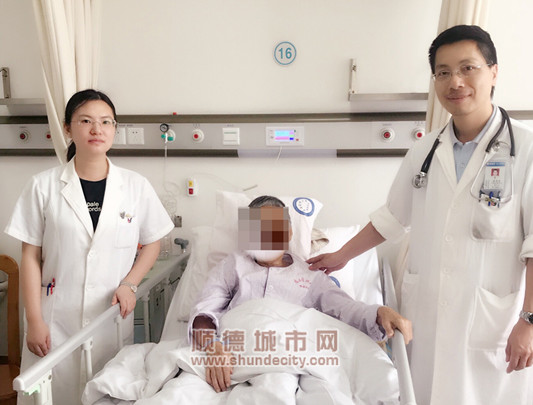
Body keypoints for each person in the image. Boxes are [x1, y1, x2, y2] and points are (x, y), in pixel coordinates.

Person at [307, 25, 533, 404]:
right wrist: (340, 256)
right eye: (443, 72)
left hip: (492, 322)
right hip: (427, 315)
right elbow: (392, 218)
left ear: (494, 72)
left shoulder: (525, 149)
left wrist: (529, 321)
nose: (455, 82)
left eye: (467, 68)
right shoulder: (425, 151)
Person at [4, 89, 174, 404]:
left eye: (106, 122)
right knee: (51, 396)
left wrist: (130, 283)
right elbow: (30, 257)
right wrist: (35, 320)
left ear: (114, 129)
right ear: (68, 128)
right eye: (86, 121)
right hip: (56, 320)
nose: (97, 129)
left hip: (108, 320)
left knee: (105, 393)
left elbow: (154, 241)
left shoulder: (135, 186)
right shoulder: (43, 186)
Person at [190, 195, 412, 393]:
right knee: (182, 391)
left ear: (289, 233)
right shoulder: (233, 265)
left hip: (286, 357)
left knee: (283, 388)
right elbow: (205, 309)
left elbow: (345, 309)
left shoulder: (309, 274)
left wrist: (380, 313)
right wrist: (213, 347)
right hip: (231, 353)